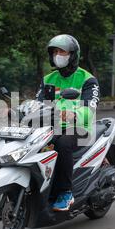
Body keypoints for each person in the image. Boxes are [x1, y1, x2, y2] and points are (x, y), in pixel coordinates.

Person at [36, 34, 100, 211]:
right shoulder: (49, 79)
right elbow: (39, 104)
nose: (58, 55)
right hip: (53, 127)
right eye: (55, 51)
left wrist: (74, 115)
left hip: (80, 128)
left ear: (72, 55)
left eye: (62, 51)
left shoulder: (88, 80)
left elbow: (90, 108)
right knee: (37, 145)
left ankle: (65, 192)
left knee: (62, 144)